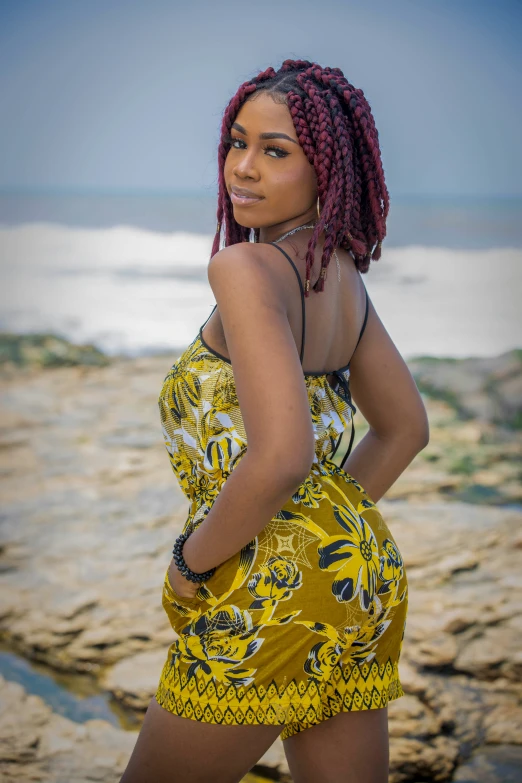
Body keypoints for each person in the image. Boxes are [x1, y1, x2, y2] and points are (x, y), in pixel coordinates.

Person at [120, 59, 429, 783]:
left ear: (327, 167)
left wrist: (190, 561)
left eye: (276, 150)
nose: (243, 168)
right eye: (237, 143)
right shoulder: (339, 275)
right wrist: (325, 534)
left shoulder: (245, 269)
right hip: (363, 576)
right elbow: (405, 428)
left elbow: (281, 456)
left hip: (269, 583)